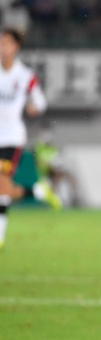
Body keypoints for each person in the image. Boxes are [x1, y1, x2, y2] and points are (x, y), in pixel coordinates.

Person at [0, 28, 61, 250]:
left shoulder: (25, 76)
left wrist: (34, 107)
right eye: (0, 43)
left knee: (0, 186)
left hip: (11, 138)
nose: (2, 47)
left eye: (6, 43)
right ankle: (38, 191)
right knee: (2, 189)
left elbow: (41, 101)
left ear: (15, 47)